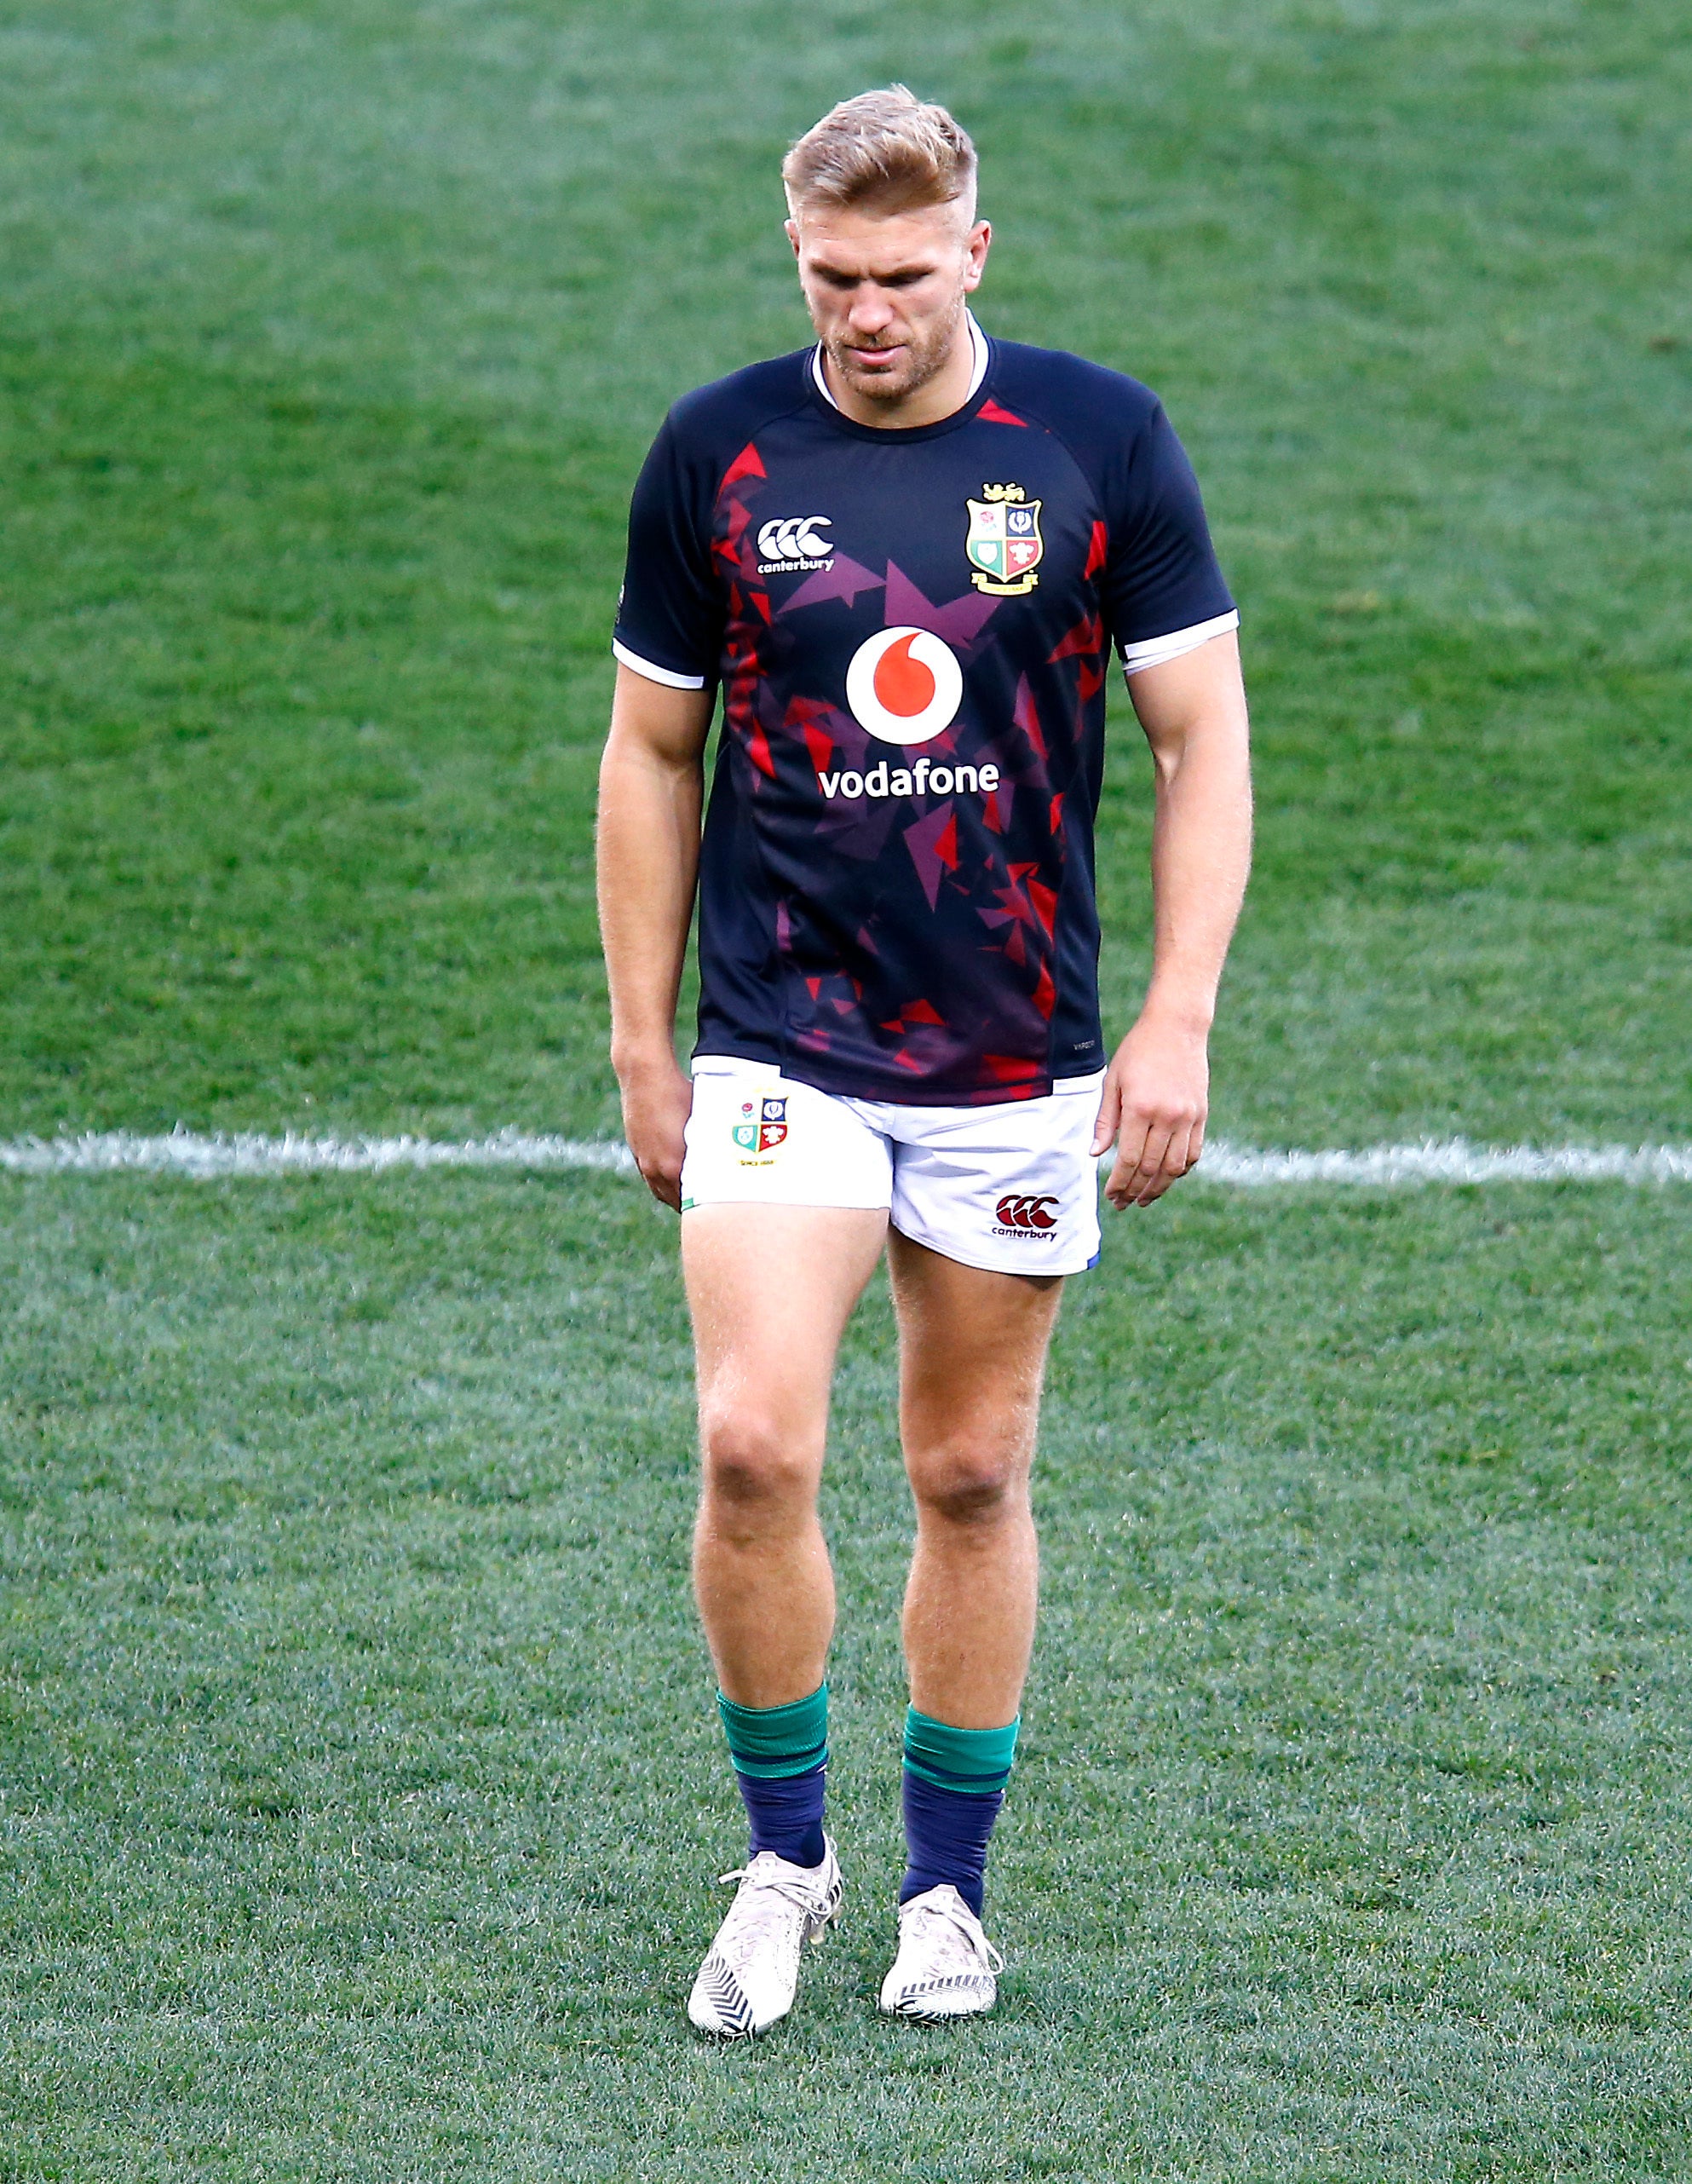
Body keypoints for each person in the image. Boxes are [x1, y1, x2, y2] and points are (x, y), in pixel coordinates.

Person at [596, 85, 1252, 2037]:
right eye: (829, 278)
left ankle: (946, 1896)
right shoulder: (718, 452)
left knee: (968, 1468)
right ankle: (782, 1860)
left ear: (974, 247)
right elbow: (651, 753)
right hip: (781, 1036)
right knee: (751, 1439)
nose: (864, 313)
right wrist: (642, 1044)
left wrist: (1179, 1014)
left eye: (898, 274)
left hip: (1013, 1059)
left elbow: (1200, 739)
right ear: (794, 256)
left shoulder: (1095, 441)